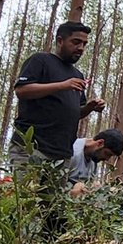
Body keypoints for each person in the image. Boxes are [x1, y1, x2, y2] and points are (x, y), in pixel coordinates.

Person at [10, 21, 106, 174]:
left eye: (84, 44)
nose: (80, 48)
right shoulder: (40, 60)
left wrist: (90, 107)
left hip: (62, 155)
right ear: (60, 41)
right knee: (25, 196)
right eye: (76, 42)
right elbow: (22, 90)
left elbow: (76, 112)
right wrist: (62, 85)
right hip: (31, 148)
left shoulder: (77, 75)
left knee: (52, 199)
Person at [66, 129, 123, 197]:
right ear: (100, 143)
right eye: (107, 154)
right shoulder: (71, 152)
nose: (107, 159)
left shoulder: (93, 159)